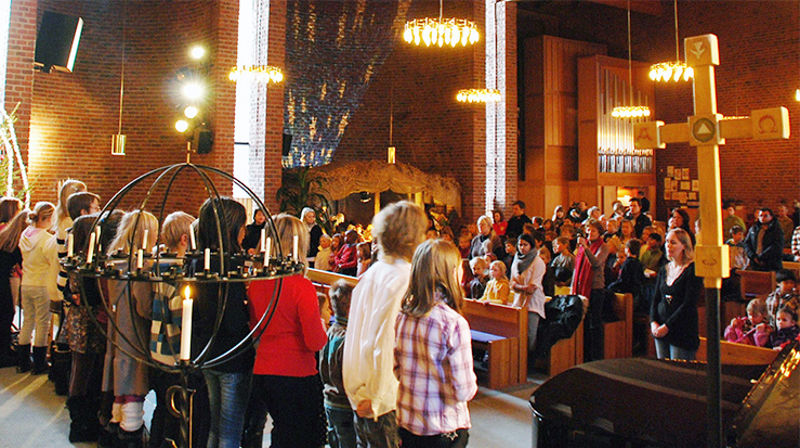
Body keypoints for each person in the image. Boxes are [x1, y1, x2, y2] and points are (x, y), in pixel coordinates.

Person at [343, 201, 427, 448]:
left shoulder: (373, 272)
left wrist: (355, 392)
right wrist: (378, 398)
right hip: (385, 401)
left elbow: (354, 337)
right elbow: (384, 340)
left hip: (362, 392)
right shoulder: (404, 278)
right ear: (411, 237)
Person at [245, 213, 328, 448]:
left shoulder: (257, 283)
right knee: (303, 439)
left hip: (264, 371)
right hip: (296, 374)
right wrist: (323, 323)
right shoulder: (301, 286)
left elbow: (254, 328)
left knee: (282, 434)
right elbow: (314, 342)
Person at [395, 239, 478, 448]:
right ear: (450, 273)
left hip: (408, 423)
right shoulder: (453, 323)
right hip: (441, 428)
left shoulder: (402, 316)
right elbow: (463, 390)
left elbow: (396, 369)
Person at [191, 198, 255, 448]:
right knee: (229, 431)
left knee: (215, 428)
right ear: (230, 227)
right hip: (231, 355)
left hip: (206, 352)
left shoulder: (198, 260)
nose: (245, 231)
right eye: (242, 225)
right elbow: (231, 319)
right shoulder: (229, 264)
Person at [102, 210, 159, 446]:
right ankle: (130, 436)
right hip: (134, 333)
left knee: (121, 389)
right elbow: (144, 306)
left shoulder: (114, 259)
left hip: (117, 330)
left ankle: (115, 430)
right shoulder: (140, 265)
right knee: (133, 391)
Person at [17, 202, 58, 374]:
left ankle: (23, 362)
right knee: (42, 323)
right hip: (41, 283)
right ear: (49, 218)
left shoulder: (25, 234)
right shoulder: (47, 239)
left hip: (26, 282)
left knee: (27, 321)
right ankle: (39, 363)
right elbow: (52, 261)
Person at [650, 228, 702, 361]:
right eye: (667, 241)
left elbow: (688, 303)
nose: (668, 245)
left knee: (678, 374)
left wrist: (667, 326)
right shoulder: (664, 269)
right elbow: (656, 299)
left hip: (681, 330)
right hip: (661, 328)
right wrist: (653, 322)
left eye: (673, 242)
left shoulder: (692, 270)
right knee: (663, 372)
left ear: (684, 246)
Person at [319, 280, 356, 448]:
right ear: (351, 308)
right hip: (344, 403)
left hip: (330, 399)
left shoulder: (331, 331)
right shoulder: (347, 337)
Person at [510, 233, 546, 353]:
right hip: (518, 300)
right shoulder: (516, 260)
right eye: (520, 245)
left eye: (525, 245)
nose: (522, 247)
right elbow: (512, 283)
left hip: (532, 302)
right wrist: (521, 287)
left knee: (530, 334)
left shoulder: (537, 261)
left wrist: (518, 287)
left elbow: (532, 288)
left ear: (531, 246)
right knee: (517, 332)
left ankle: (529, 361)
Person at [0, 209, 26, 367]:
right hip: (2, 282)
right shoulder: (16, 245)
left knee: (6, 314)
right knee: (6, 314)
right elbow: (23, 266)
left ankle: (5, 349)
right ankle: (3, 354)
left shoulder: (5, 238)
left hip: (3, 279)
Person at [743, 207, 784, 271]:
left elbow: (776, 246)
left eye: (765, 216)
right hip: (755, 262)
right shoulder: (754, 228)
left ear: (771, 217)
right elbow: (747, 243)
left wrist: (761, 257)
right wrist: (753, 256)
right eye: (761, 216)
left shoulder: (776, 230)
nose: (762, 218)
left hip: (771, 263)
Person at [608, 239, 645, 305]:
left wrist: (611, 286)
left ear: (627, 250)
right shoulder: (639, 263)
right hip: (636, 292)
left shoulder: (627, 263)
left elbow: (623, 280)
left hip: (626, 291)